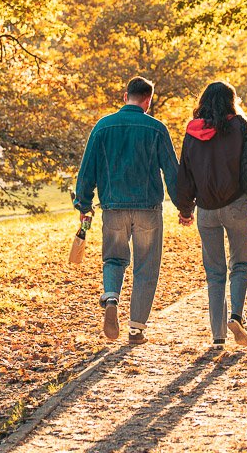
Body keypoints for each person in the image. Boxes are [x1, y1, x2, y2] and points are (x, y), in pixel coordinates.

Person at [74, 76, 183, 345]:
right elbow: (172, 172)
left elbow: (87, 170)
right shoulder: (156, 129)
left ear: (126, 97)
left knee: (114, 259)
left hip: (113, 207)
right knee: (146, 267)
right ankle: (136, 330)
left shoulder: (102, 127)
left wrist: (84, 205)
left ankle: (111, 296)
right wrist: (184, 206)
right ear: (148, 101)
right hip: (148, 209)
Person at [177, 81, 247, 347]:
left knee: (214, 272)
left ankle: (218, 335)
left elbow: (184, 174)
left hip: (206, 210)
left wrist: (186, 210)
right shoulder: (240, 126)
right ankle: (236, 316)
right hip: (236, 204)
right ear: (230, 101)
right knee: (240, 265)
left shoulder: (191, 132)